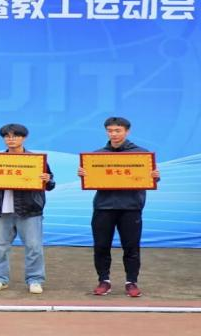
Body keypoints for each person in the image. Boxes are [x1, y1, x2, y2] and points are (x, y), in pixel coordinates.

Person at [77, 116, 160, 298]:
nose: (113, 134)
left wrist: (154, 176)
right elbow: (92, 178)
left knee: (131, 247)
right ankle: (103, 281)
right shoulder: (96, 156)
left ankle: (131, 282)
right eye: (110, 130)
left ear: (127, 131)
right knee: (101, 246)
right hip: (103, 207)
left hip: (131, 207)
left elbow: (150, 178)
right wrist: (85, 174)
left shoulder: (141, 154)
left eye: (117, 130)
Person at [0, 124, 54, 294]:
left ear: (24, 138)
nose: (11, 139)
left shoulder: (36, 161)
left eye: (15, 136)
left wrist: (47, 179)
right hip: (1, 210)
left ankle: (35, 280)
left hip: (30, 211)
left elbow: (50, 184)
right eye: (7, 136)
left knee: (34, 247)